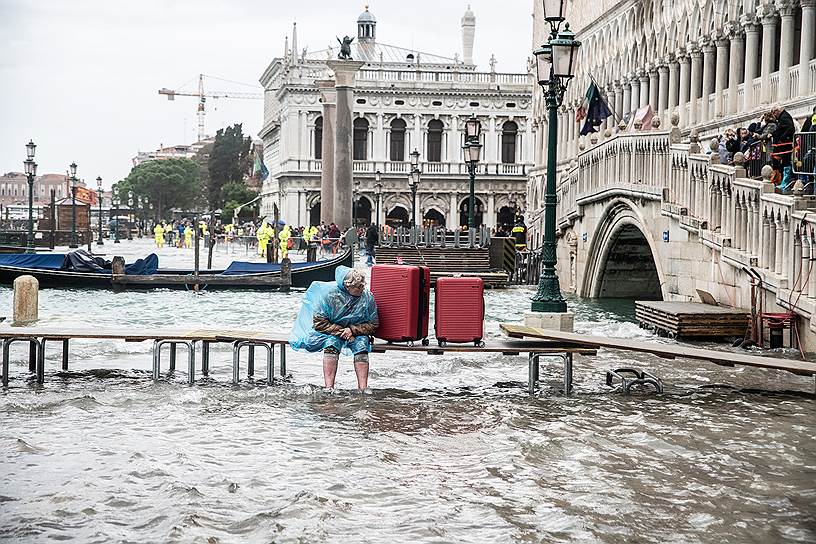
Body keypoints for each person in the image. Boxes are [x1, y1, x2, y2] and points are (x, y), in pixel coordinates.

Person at [290, 266, 378, 390]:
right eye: (357, 286)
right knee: (332, 344)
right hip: (329, 331)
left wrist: (352, 330)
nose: (361, 289)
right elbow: (319, 323)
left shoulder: (367, 298)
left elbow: (373, 324)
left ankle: (363, 387)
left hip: (356, 332)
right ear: (347, 286)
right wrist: (342, 331)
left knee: (362, 346)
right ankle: (329, 387)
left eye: (362, 285)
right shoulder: (329, 296)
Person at [771, 105, 797, 193]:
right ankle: (784, 181)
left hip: (786, 144)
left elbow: (789, 128)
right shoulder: (783, 116)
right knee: (784, 162)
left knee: (786, 161)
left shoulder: (784, 117)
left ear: (776, 111)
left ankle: (786, 182)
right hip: (784, 143)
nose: (774, 116)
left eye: (774, 114)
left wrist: (782, 138)